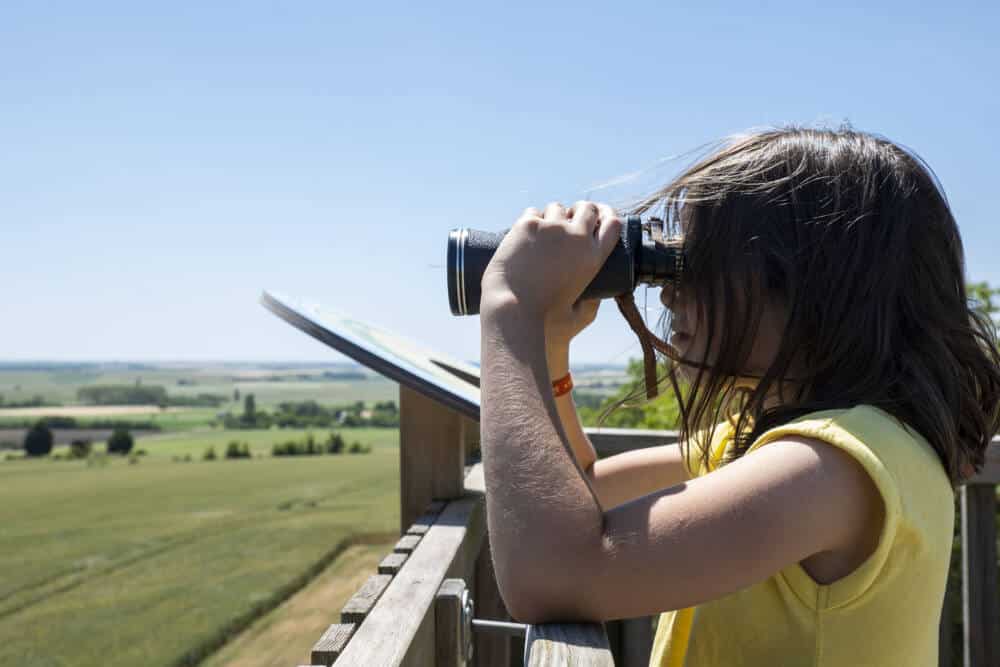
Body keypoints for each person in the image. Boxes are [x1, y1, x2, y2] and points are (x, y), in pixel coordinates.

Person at [477, 126, 1000, 666]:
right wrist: (548, 347)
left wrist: (511, 307)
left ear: (806, 285)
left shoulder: (833, 468)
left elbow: (553, 575)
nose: (669, 289)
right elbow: (585, 492)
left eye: (702, 264)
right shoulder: (773, 444)